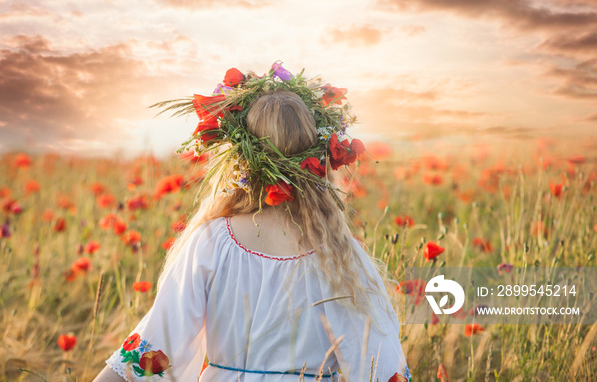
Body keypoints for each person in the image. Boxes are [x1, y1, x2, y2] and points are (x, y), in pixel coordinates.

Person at [93, 64, 411, 382]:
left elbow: (158, 340)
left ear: (240, 157)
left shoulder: (212, 242)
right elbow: (381, 367)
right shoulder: (338, 256)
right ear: (319, 157)